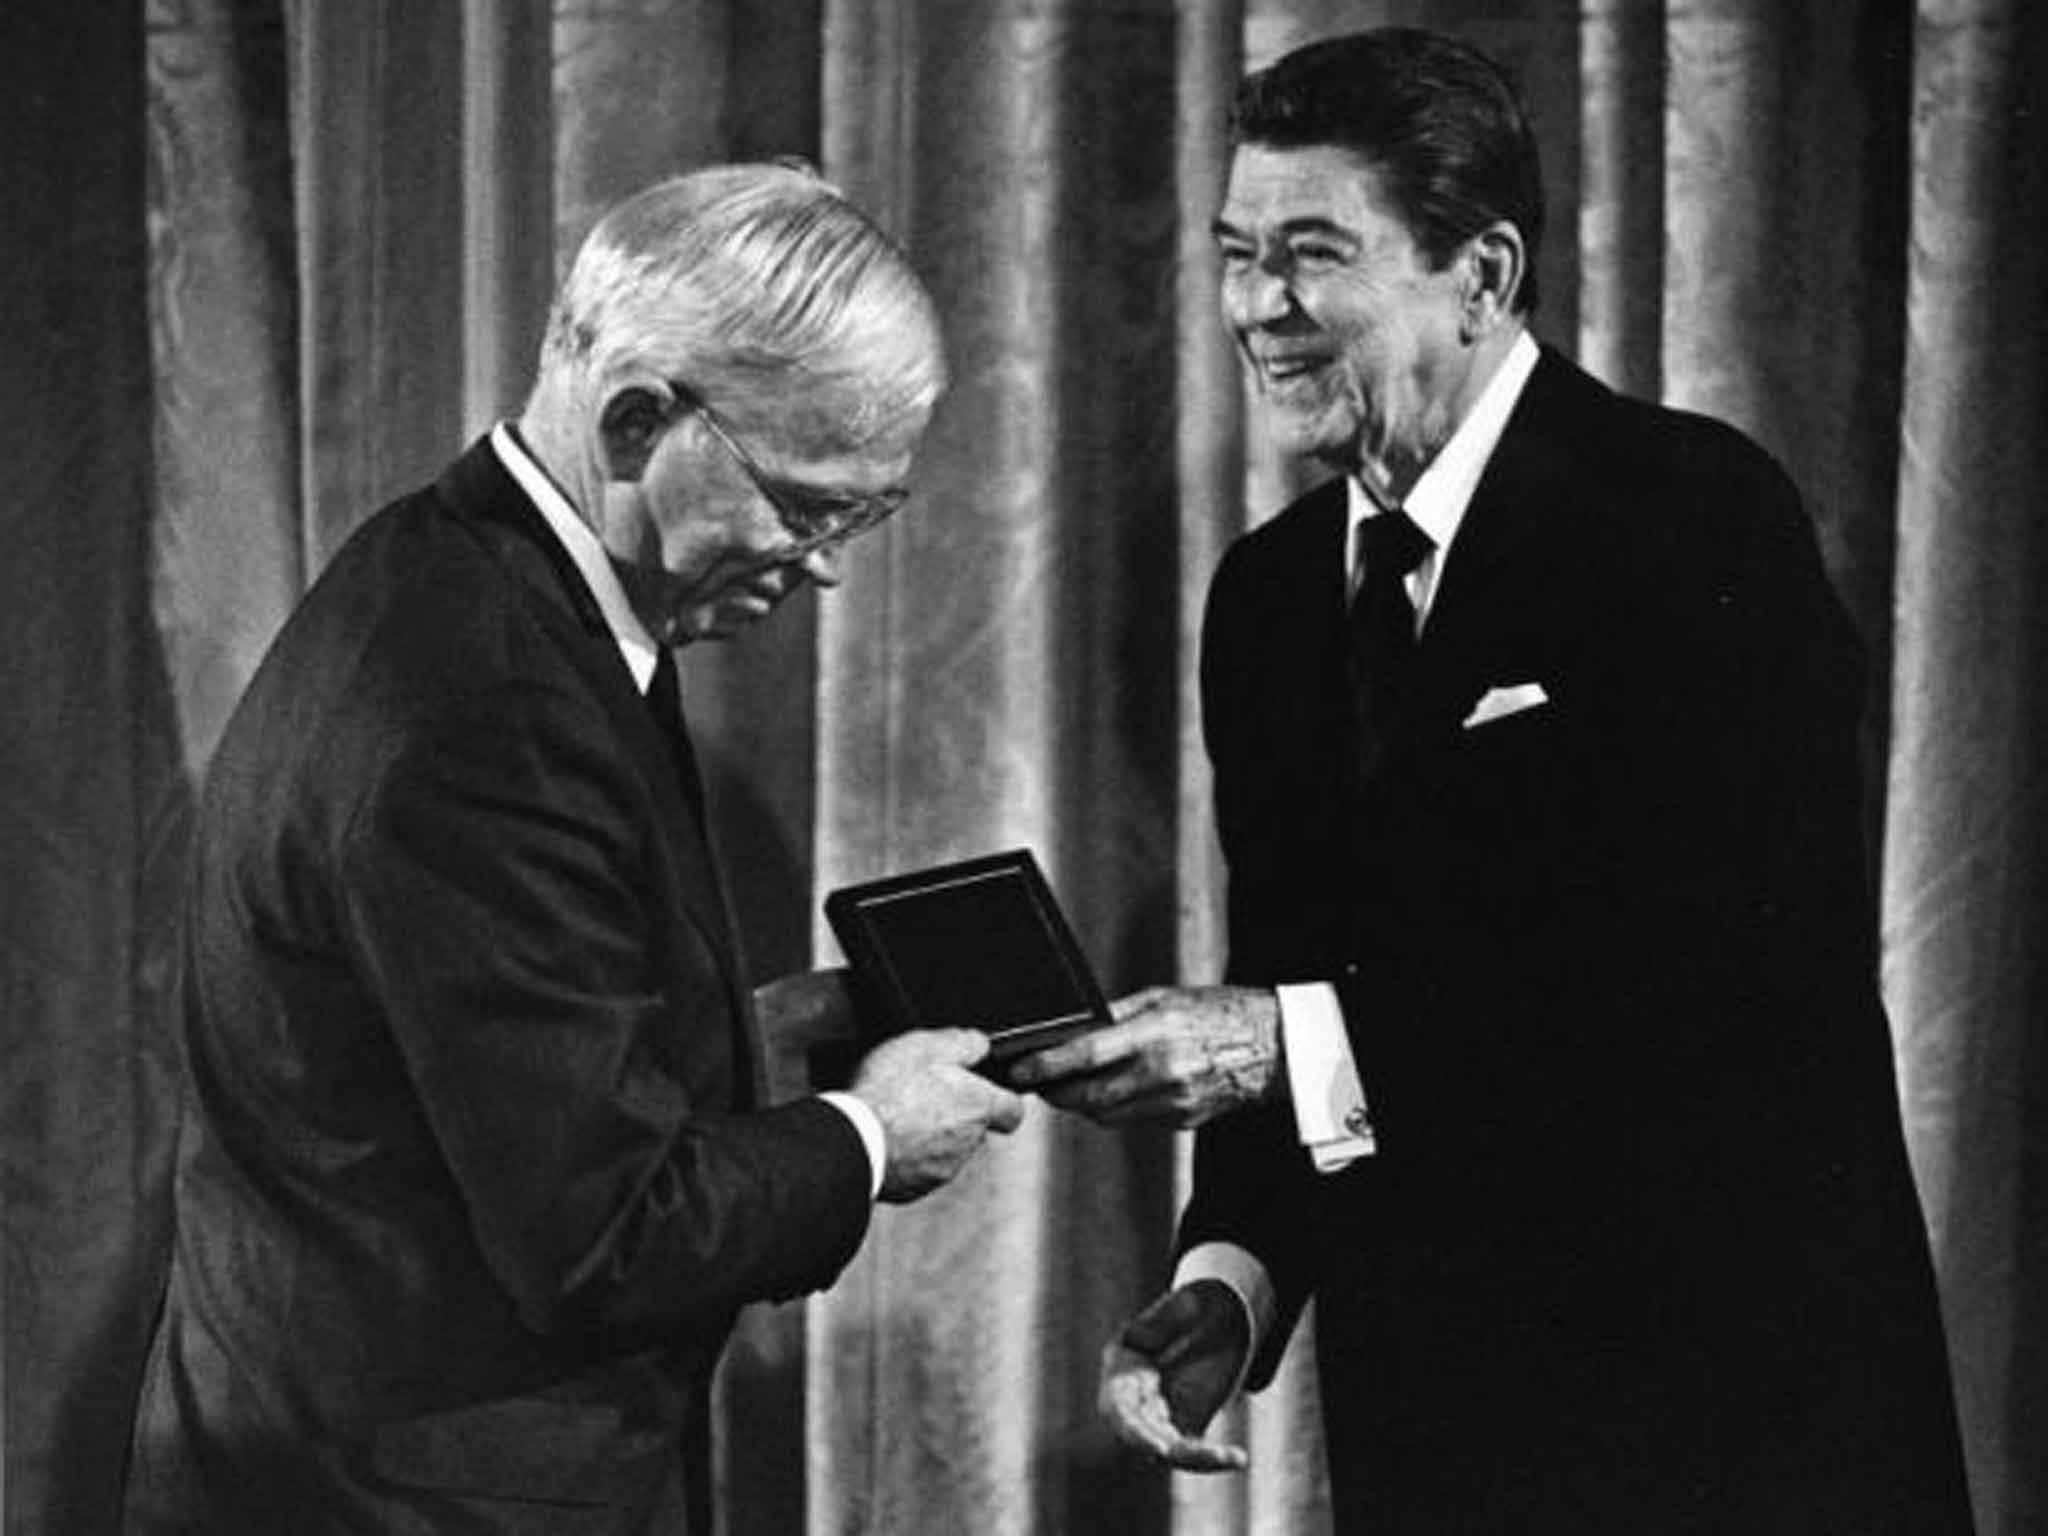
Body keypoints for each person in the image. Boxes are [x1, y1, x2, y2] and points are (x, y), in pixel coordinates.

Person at [1011, 28, 1974, 1532]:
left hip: (1736, 1430)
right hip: (1440, 1444)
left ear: (1485, 276)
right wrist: (1232, 1283)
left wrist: (1276, 1047)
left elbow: (1709, 995)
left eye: (1314, 254)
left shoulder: (1696, 523)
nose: (1257, 308)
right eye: (1237, 254)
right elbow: (1303, 982)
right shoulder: (1264, 604)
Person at [122, 163, 1025, 1535]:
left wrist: (748, 1037)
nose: (827, 563)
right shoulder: (489, 708)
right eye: (808, 503)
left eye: (863, 514)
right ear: (636, 417)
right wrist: (868, 1134)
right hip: (406, 1497)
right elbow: (606, 1237)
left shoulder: (460, 572)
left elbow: (466, 1055)